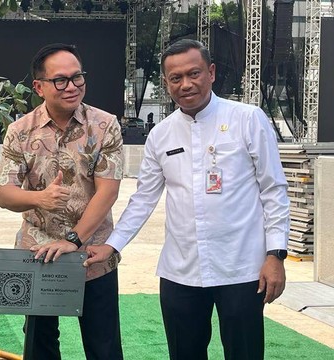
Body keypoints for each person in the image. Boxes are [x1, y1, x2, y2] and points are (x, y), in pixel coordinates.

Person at [84, 39, 290, 360]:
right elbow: (143, 199)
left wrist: (275, 254)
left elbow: (273, 189)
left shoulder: (247, 119)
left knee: (245, 352)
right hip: (181, 271)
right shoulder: (161, 134)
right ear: (166, 83)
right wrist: (113, 245)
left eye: (193, 74)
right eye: (175, 78)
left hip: (242, 267)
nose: (185, 84)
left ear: (210, 72)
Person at [0, 43, 124, 359]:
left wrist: (74, 239)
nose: (72, 86)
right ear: (39, 86)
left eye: (77, 77)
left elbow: (108, 191)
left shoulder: (105, 125)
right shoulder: (19, 131)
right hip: (38, 254)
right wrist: (40, 198)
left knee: (104, 345)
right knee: (39, 346)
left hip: (92, 254)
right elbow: (4, 194)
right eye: (61, 80)